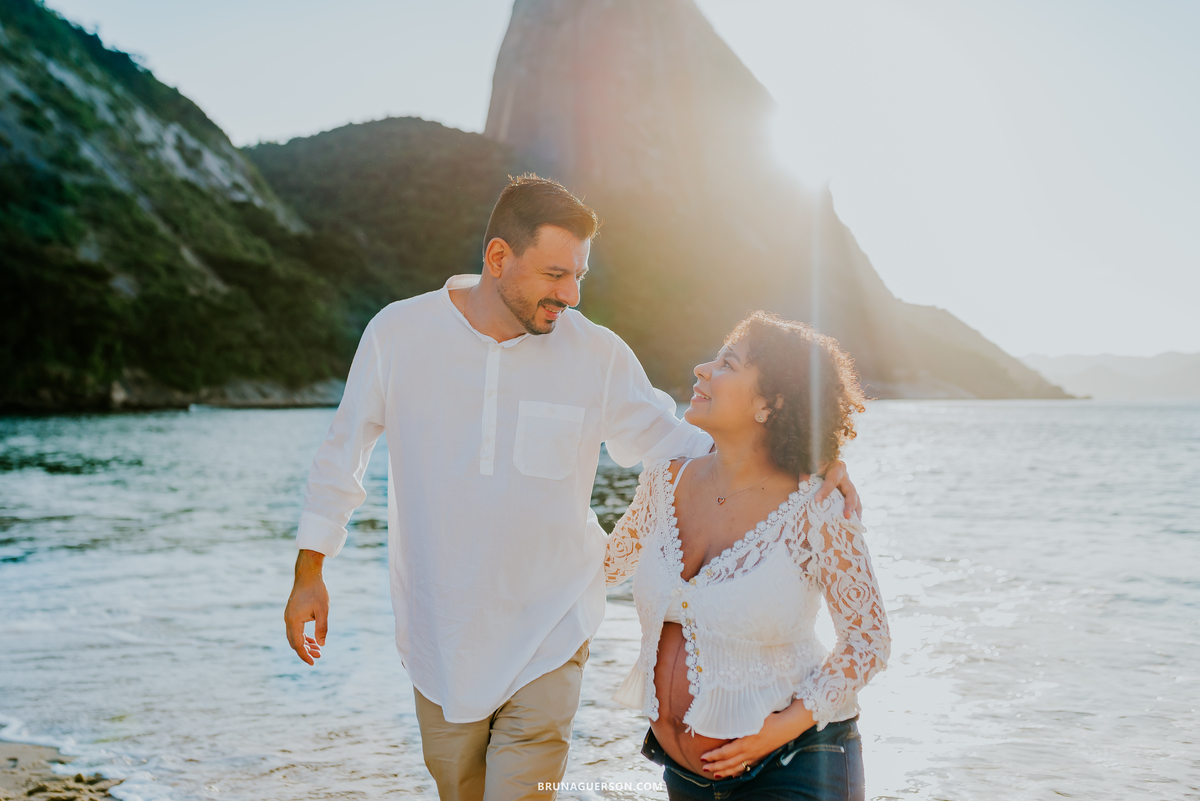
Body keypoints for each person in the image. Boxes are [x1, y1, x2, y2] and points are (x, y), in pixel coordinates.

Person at [283, 175, 862, 801]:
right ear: (499, 258)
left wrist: (814, 461)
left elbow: (680, 439)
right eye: (556, 275)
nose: (572, 295)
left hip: (551, 629)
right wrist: (310, 570)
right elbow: (343, 453)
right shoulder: (398, 334)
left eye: (580, 275)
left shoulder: (598, 355)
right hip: (437, 633)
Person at [604, 312, 890, 801]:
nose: (702, 370)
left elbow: (868, 640)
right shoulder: (662, 482)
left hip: (797, 764)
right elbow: (604, 567)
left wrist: (779, 729)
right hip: (683, 777)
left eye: (728, 364)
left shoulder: (819, 506)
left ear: (771, 403)